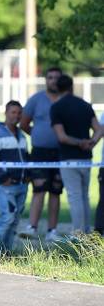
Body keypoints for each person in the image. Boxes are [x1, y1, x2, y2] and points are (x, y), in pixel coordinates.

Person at [50, 75, 103, 233]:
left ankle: (79, 234)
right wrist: (90, 143)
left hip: (68, 159)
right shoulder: (85, 105)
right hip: (86, 159)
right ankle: (86, 232)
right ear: (72, 87)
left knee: (74, 197)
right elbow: (99, 129)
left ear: (57, 88)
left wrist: (79, 143)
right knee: (84, 196)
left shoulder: (56, 107)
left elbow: (62, 137)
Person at [20, 67, 63, 239]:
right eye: (50, 77)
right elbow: (24, 123)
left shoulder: (66, 99)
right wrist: (38, 135)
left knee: (56, 190)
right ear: (46, 80)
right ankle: (32, 227)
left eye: (56, 78)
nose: (53, 81)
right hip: (39, 153)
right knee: (38, 189)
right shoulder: (36, 99)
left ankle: (52, 231)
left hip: (61, 152)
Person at [0, 101, 30, 253]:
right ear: (6, 113)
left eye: (19, 113)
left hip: (22, 184)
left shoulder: (21, 135)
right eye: (13, 112)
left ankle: (6, 253)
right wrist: (3, 178)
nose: (16, 116)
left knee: (15, 220)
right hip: (4, 185)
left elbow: (25, 157)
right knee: (7, 218)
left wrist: (28, 175)